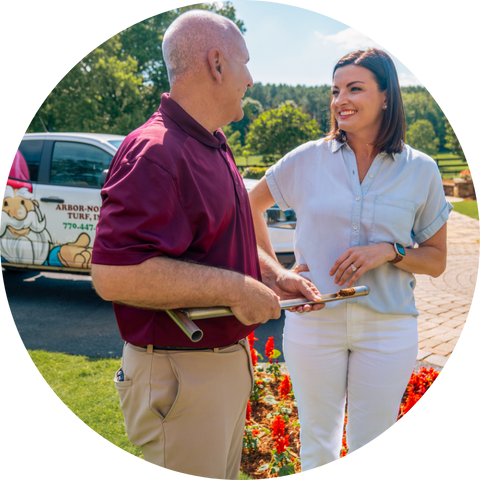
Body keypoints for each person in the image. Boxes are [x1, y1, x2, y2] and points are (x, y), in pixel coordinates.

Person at [90, 10, 321, 480]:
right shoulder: (156, 151)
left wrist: (274, 277)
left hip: (209, 371)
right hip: (182, 373)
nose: (252, 79)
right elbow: (114, 274)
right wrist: (237, 290)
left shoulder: (213, 143)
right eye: (245, 63)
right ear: (216, 64)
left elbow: (226, 239)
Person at [248, 48, 452, 470]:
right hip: (314, 324)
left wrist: (390, 252)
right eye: (336, 90)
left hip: (388, 328)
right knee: (317, 445)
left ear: (386, 97)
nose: (341, 99)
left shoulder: (422, 170)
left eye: (354, 88)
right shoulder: (306, 159)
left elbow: (435, 261)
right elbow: (246, 207)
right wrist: (276, 272)